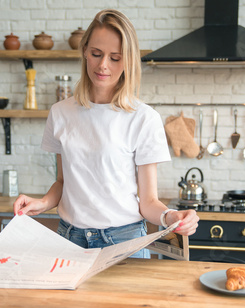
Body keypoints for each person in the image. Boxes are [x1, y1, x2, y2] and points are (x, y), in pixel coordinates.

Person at [13, 9, 199, 258]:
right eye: (96, 54)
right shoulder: (60, 113)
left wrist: (171, 217)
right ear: (84, 52)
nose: (103, 65)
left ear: (128, 61)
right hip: (69, 240)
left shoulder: (143, 118)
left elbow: (148, 202)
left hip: (124, 243)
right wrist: (43, 202)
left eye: (115, 58)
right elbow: (63, 181)